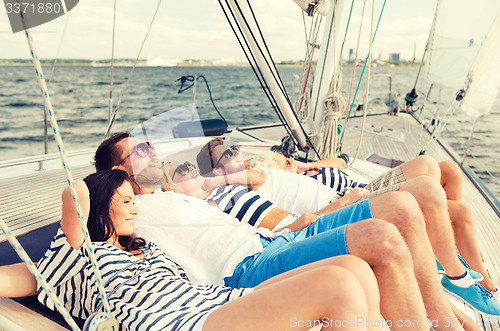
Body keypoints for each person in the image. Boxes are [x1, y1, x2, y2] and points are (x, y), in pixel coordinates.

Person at [95, 132, 483, 329]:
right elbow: (80, 223)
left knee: (401, 207)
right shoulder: (127, 210)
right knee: (380, 238)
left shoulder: (173, 195)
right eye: (141, 149)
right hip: (246, 268)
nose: (155, 151)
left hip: (273, 242)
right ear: (116, 173)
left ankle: (446, 315)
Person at [1, 170, 383, 331]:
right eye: (125, 200)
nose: (135, 208)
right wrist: (86, 213)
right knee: (338, 286)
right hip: (176, 324)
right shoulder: (72, 255)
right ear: (100, 209)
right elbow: (76, 193)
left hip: (212, 302)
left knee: (354, 269)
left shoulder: (143, 247)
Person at [197, 138, 500, 302]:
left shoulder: (268, 169)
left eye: (234, 149)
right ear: (219, 171)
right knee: (437, 190)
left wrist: (301, 166)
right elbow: (258, 180)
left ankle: (457, 265)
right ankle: (461, 275)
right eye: (227, 155)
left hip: (347, 194)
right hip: (340, 206)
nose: (236, 154)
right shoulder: (245, 181)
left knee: (442, 174)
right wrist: (215, 180)